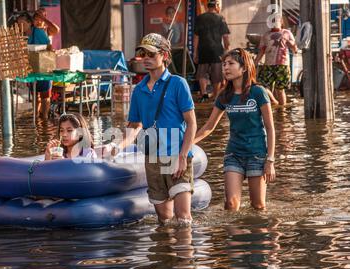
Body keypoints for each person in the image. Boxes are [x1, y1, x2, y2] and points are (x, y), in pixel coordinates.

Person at [103, 33, 197, 227]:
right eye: (143, 53)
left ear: (165, 56)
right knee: (165, 220)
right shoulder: (139, 90)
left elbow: (192, 123)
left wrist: (182, 156)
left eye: (151, 54)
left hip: (177, 157)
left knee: (184, 219)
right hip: (153, 158)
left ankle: (184, 256)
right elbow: (134, 126)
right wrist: (116, 146)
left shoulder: (178, 84)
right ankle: (167, 256)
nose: (146, 58)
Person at [193, 48, 276, 212]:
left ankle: (260, 235)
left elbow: (270, 127)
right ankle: (234, 236)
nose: (225, 68)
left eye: (231, 63)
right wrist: (188, 144)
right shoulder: (224, 95)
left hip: (257, 155)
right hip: (234, 154)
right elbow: (209, 126)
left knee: (258, 206)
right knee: (231, 205)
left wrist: (270, 160)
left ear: (244, 68)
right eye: (224, 64)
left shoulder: (258, 92)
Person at [255, 14, 298, 106]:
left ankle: (282, 110)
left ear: (281, 22)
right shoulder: (266, 35)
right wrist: (255, 62)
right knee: (262, 87)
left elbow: (295, 49)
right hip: (268, 65)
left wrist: (292, 45)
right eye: (272, 21)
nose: (274, 23)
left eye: (276, 21)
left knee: (280, 89)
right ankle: (274, 102)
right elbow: (262, 51)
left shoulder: (287, 33)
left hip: (282, 64)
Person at [193, 0, 230, 103]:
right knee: (216, 74)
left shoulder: (200, 18)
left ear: (207, 6)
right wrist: (226, 48)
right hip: (217, 51)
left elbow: (196, 37)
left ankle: (204, 94)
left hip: (203, 50)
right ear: (216, 6)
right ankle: (215, 95)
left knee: (202, 73)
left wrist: (195, 53)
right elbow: (225, 37)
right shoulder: (220, 18)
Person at [28, 8, 60, 119]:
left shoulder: (47, 30)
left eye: (40, 19)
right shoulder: (30, 30)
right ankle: (36, 116)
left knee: (45, 95)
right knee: (35, 95)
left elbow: (56, 29)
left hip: (46, 66)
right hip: (33, 66)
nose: (38, 21)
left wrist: (44, 20)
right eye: (36, 19)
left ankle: (45, 117)